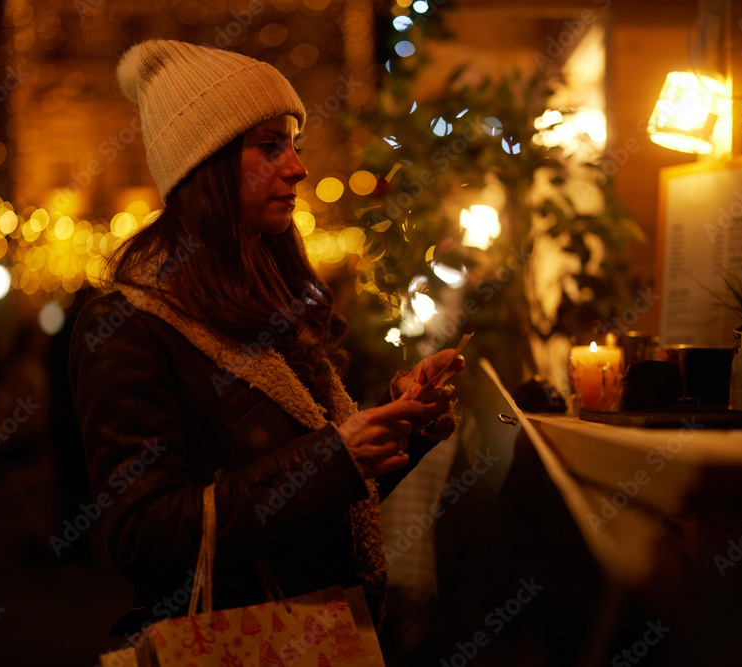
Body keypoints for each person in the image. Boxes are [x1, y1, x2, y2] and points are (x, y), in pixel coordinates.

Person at [68, 39, 465, 642]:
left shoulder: (271, 304)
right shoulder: (129, 325)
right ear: (207, 165)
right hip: (231, 643)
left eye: (295, 146)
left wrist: (398, 422)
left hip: (319, 637)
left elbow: (326, 508)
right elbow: (142, 533)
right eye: (269, 146)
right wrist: (335, 456)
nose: (299, 167)